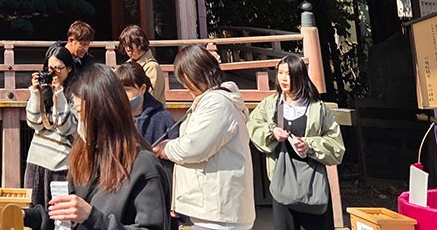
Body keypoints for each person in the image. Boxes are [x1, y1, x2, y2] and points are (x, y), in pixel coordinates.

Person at [24, 63, 172, 230]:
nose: (78, 120)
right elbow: (68, 216)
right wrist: (26, 216)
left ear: (102, 112)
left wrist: (92, 217)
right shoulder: (84, 156)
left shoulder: (144, 166)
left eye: (79, 112)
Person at [153, 45, 255, 230]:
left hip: (219, 210)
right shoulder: (213, 100)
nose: (185, 86)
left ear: (196, 74)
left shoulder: (216, 103)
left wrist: (166, 148)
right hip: (213, 209)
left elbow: (193, 148)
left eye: (185, 79)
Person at [247, 54, 345, 230]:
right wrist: (271, 132)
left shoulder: (317, 108)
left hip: (312, 184)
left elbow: (336, 147)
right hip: (282, 182)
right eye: (280, 72)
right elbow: (253, 126)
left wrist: (309, 145)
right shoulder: (271, 105)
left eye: (289, 74)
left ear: (300, 76)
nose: (284, 78)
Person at [25, 45, 79, 207]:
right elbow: (34, 122)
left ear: (69, 68)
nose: (52, 73)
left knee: (59, 215)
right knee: (34, 213)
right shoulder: (44, 90)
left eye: (57, 69)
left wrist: (59, 94)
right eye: (49, 68)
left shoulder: (77, 94)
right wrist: (36, 92)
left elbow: (66, 127)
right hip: (36, 161)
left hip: (61, 165)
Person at [115, 60, 176, 146]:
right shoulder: (112, 117)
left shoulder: (162, 118)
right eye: (118, 90)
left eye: (127, 90)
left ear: (142, 89)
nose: (122, 94)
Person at [118, 24, 166, 104]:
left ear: (140, 43)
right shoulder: (127, 64)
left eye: (130, 44)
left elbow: (150, 96)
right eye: (125, 45)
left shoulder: (152, 67)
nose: (128, 49)